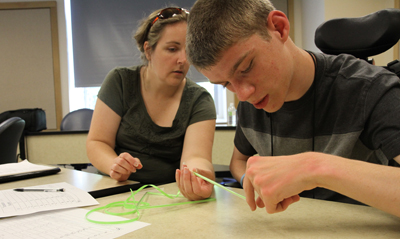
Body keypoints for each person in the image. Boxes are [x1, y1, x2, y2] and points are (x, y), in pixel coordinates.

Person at [186, 0, 400, 217]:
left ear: (279, 28)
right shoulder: (252, 102)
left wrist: (314, 168)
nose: (243, 94)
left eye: (246, 68)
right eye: (226, 84)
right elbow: (239, 161)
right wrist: (250, 181)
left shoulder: (371, 89)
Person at [87, 7, 216, 200]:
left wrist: (199, 176)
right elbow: (97, 142)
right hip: (116, 192)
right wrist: (114, 165)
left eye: (189, 50)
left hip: (167, 197)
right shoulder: (120, 82)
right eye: (172, 49)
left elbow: (196, 156)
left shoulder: (199, 100)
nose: (183, 59)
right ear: (148, 50)